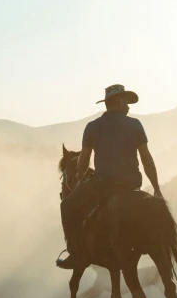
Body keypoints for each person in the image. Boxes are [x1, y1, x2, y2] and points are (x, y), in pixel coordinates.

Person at [57, 84, 163, 270]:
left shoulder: (92, 127)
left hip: (103, 185)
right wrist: (156, 188)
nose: (129, 107)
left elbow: (84, 160)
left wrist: (81, 177)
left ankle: (74, 252)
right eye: (127, 103)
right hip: (131, 186)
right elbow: (146, 159)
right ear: (119, 101)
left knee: (66, 205)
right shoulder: (135, 125)